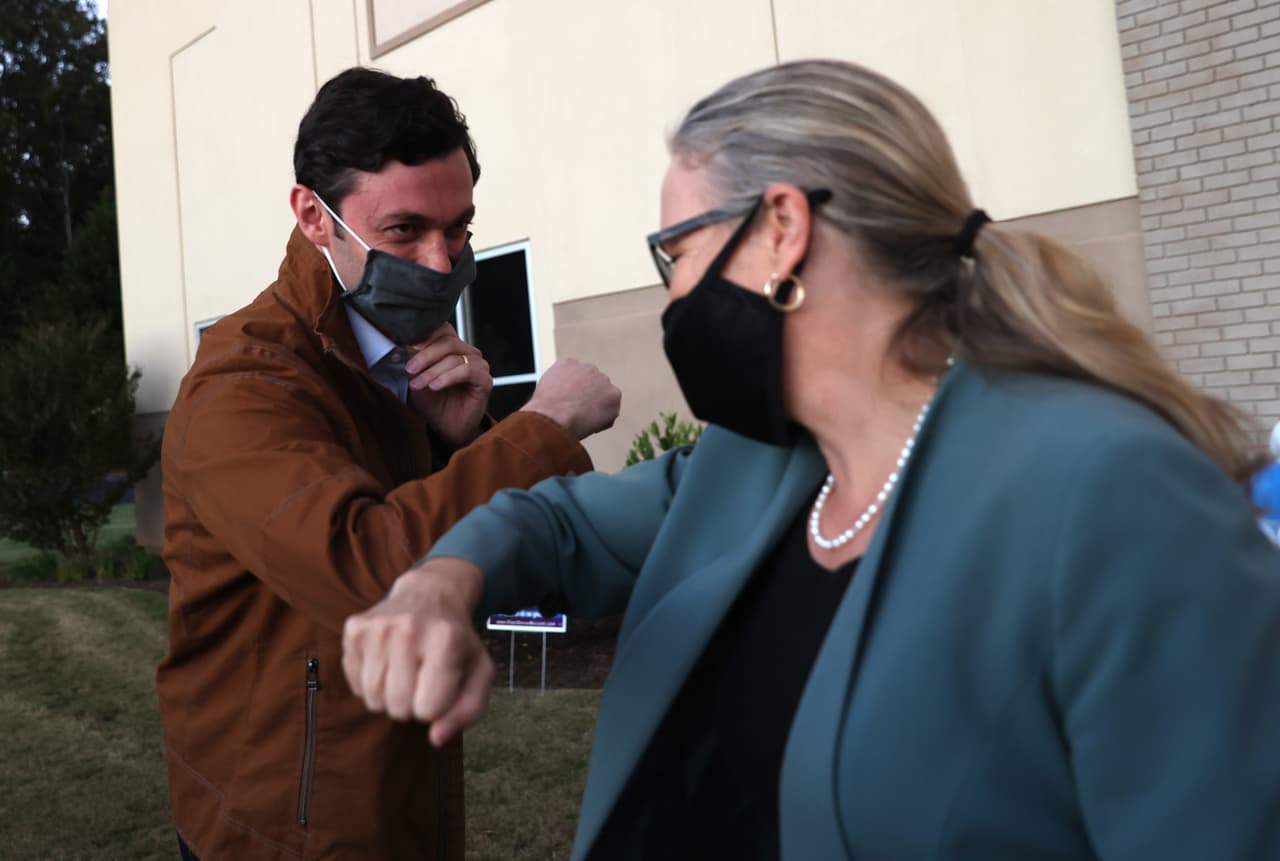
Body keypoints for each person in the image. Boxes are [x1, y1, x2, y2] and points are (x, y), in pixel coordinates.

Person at [341, 60, 1280, 860]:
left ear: (782, 230)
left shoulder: (1111, 494)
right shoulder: (761, 459)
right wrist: (440, 583)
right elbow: (556, 521)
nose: (673, 298)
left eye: (676, 253)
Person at [157, 67, 620, 860]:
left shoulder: (399, 361)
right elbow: (369, 567)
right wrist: (543, 425)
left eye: (461, 229)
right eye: (405, 231)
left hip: (399, 800)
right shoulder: (241, 384)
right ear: (313, 216)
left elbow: (496, 570)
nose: (443, 265)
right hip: (278, 828)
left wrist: (458, 440)